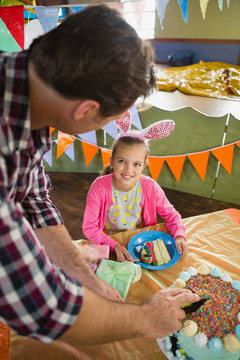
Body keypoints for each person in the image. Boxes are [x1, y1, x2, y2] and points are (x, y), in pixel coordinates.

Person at [0, 3, 199, 347]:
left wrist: (79, 271)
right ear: (85, 110)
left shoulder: (27, 96)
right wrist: (145, 317)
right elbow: (42, 307)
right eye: (107, 120)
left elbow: (34, 199)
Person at [83, 114, 188, 262]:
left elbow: (171, 215)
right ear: (111, 161)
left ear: (144, 165)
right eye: (121, 161)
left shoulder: (150, 187)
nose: (128, 170)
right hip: (108, 242)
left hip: (141, 243)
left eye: (136, 164)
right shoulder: (99, 187)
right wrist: (114, 246)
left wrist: (178, 235)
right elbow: (89, 227)